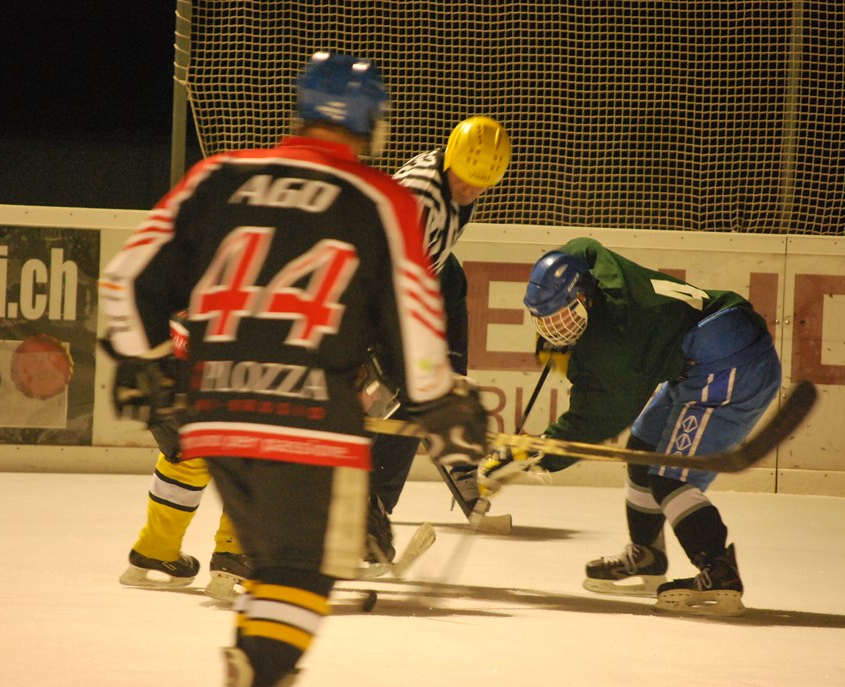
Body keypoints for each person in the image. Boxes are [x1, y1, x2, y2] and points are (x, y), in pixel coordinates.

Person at [99, 51, 489, 687]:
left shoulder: (217, 175)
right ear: (371, 125)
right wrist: (440, 402)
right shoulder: (383, 200)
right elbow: (414, 327)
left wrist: (147, 367)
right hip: (311, 423)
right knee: (301, 573)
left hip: (216, 413)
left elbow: (124, 280)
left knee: (270, 562)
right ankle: (257, 669)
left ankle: (246, 638)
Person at [478, 237, 781, 617]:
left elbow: (598, 418)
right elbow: (582, 246)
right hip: (699, 360)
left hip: (730, 366)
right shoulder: (594, 270)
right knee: (642, 449)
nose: (555, 329)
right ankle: (647, 555)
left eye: (564, 315)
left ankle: (718, 572)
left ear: (585, 298)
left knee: (671, 477)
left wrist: (537, 453)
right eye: (546, 319)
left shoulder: (617, 343)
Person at [365, 116, 511, 562]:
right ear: (449, 161)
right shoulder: (418, 199)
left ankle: (453, 450)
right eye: (464, 181)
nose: (470, 190)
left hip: (435, 281)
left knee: (429, 390)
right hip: (380, 294)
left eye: (480, 185)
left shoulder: (457, 180)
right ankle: (367, 510)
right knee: (406, 396)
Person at [117, 320, 253, 603]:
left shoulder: (176, 295)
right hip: (225, 390)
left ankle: (155, 551)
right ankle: (233, 557)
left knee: (183, 465)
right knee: (250, 469)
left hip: (169, 393)